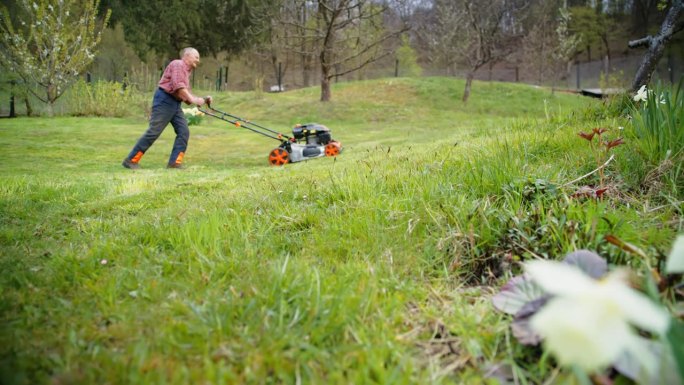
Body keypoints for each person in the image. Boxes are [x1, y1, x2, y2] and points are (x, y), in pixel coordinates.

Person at [122, 47, 212, 169]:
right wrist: (194, 100)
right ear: (187, 56)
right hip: (164, 100)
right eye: (196, 57)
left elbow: (186, 97)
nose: (198, 60)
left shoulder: (186, 72)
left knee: (183, 132)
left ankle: (174, 163)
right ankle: (131, 160)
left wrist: (203, 99)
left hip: (175, 104)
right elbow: (178, 87)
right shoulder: (178, 64)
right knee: (154, 131)